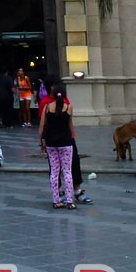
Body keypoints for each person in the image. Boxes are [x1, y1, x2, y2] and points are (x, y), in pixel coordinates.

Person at [38, 80, 76, 208]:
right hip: (66, 142)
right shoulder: (69, 108)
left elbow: (42, 125)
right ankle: (70, 201)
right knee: (67, 172)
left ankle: (56, 200)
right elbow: (70, 124)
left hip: (51, 143)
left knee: (54, 172)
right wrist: (73, 137)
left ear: (53, 94)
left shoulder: (47, 108)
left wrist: (40, 142)